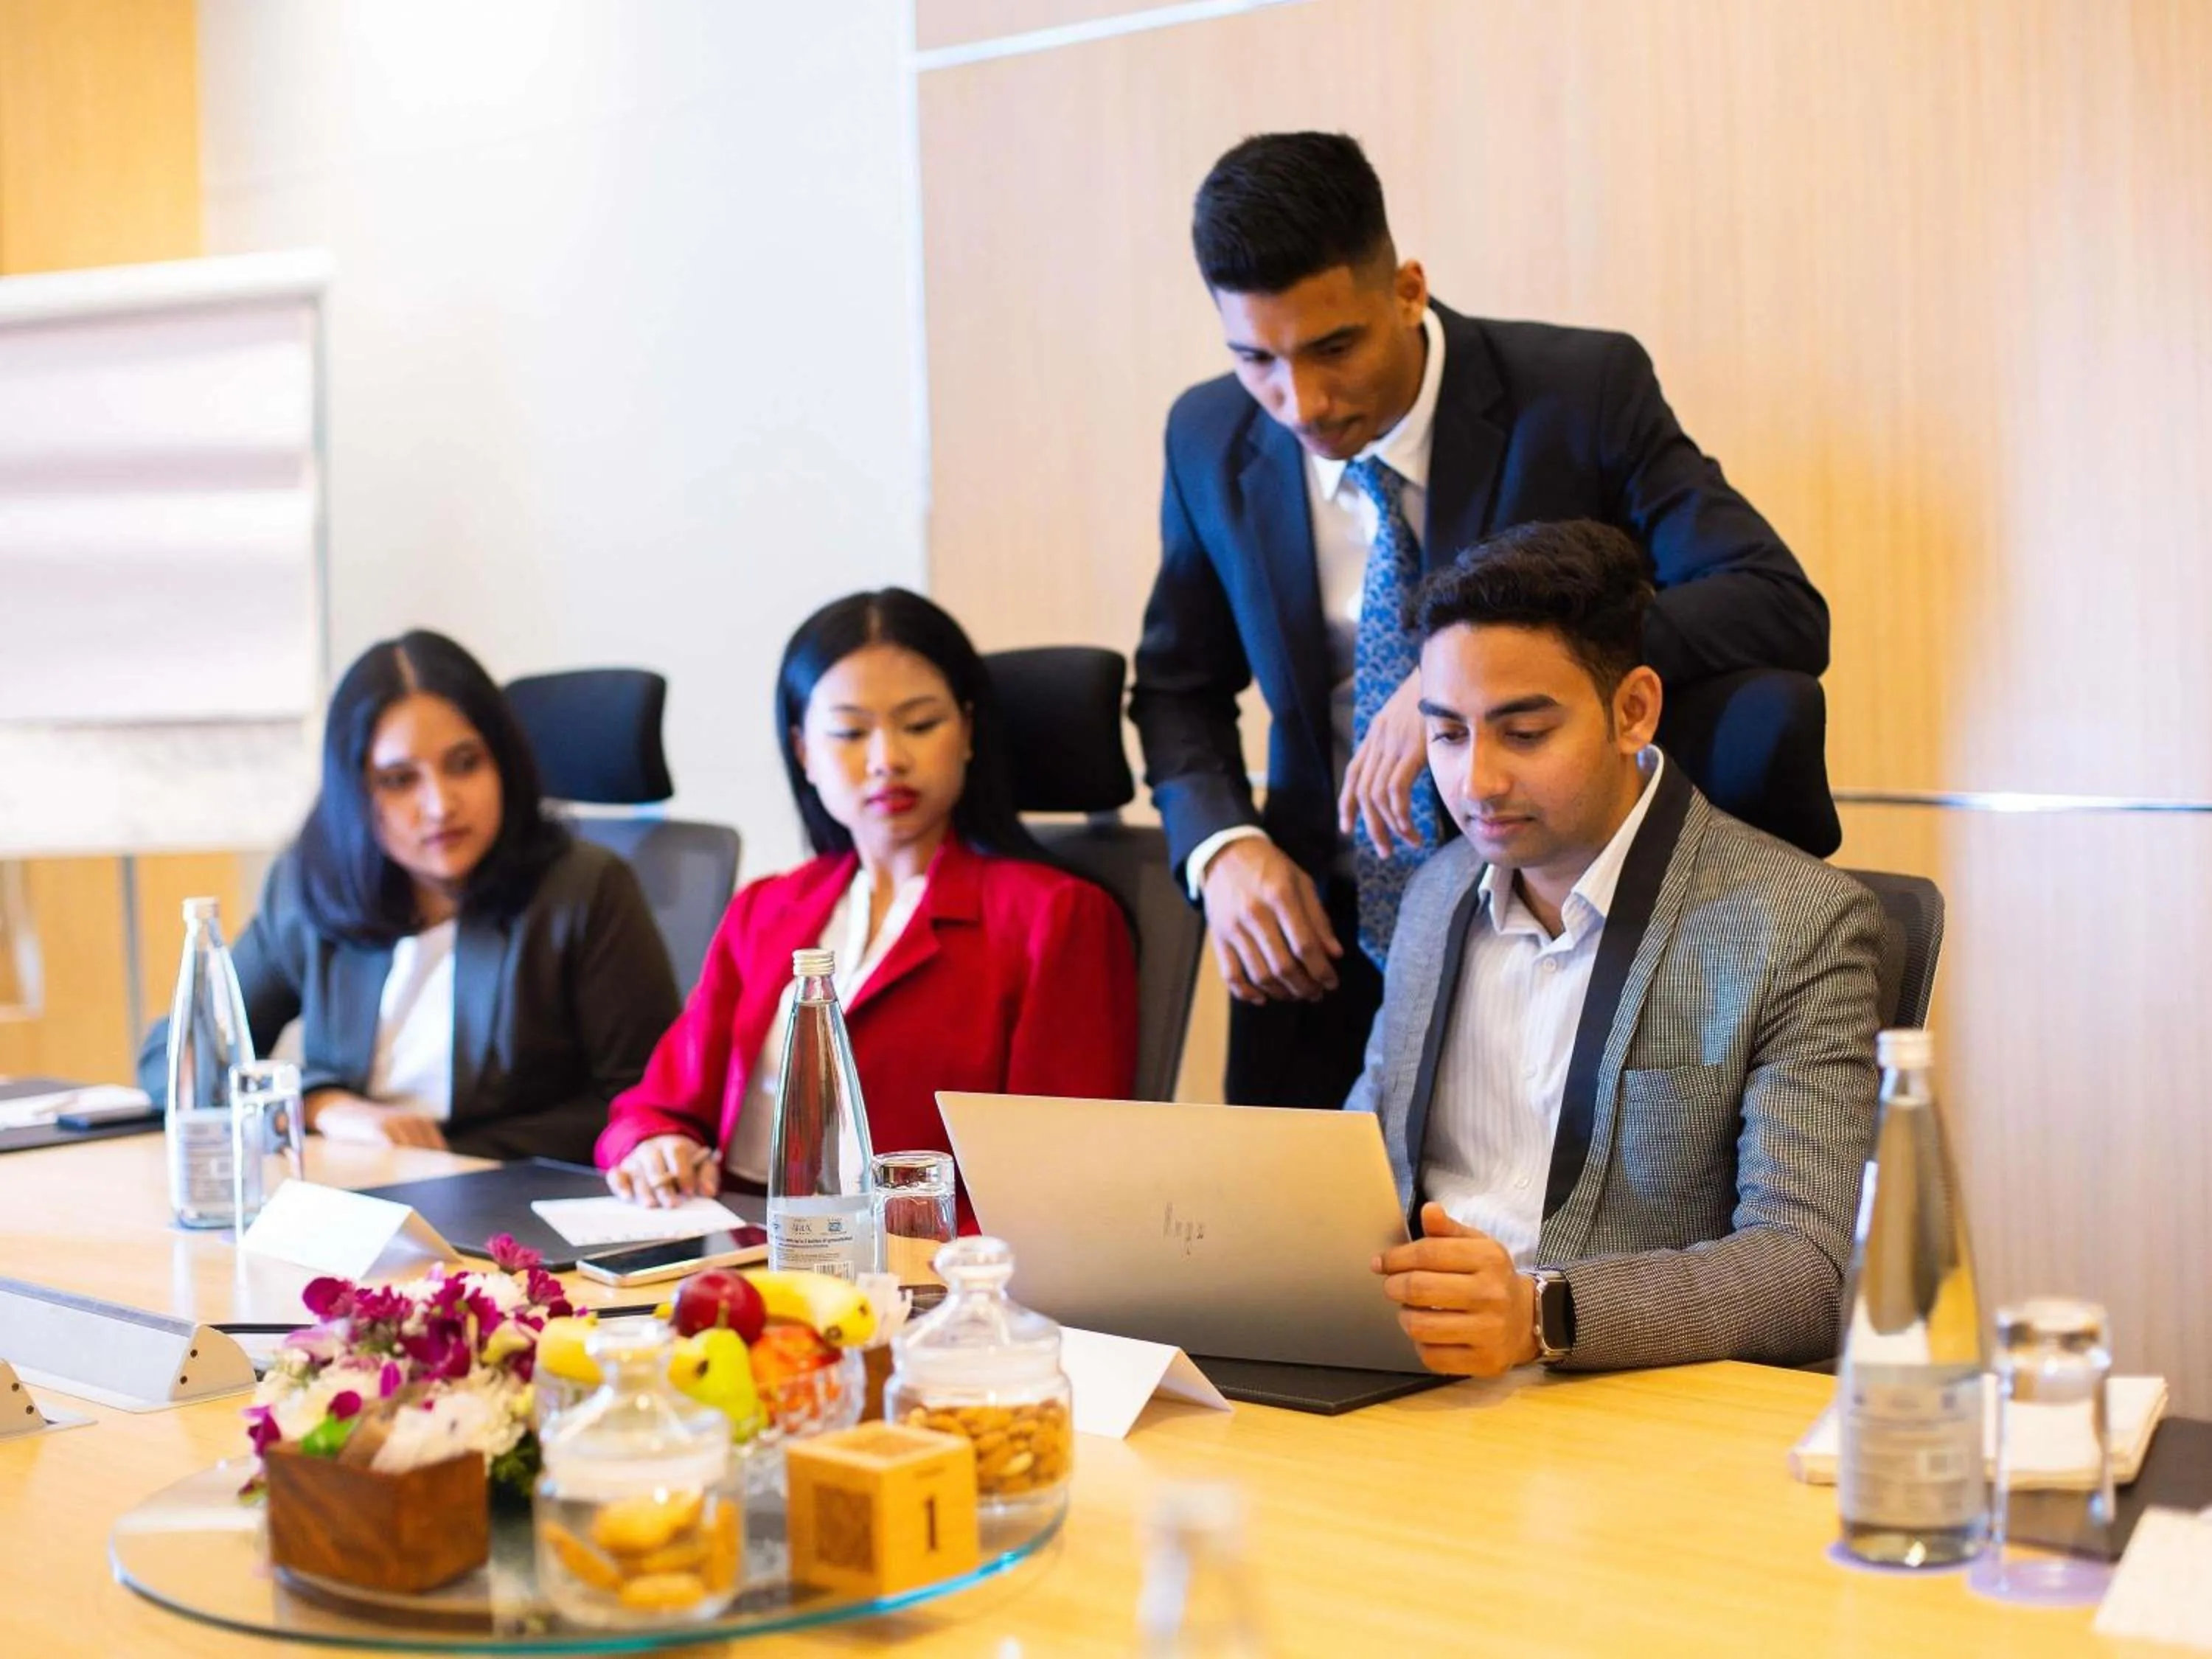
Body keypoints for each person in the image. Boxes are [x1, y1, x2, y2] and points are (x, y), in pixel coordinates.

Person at [1130, 130, 1831, 1110]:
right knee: (1277, 1212)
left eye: (1335, 348)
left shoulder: (1580, 394)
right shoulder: (1208, 434)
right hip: (1319, 939)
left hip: (1560, 929)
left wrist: (1457, 680)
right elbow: (1176, 686)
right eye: (1256, 359)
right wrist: (1223, 850)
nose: (1302, 402)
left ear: (1407, 290)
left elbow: (1774, 602)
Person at [1351, 521, 1881, 1374]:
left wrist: (1541, 1314)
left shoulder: (1799, 925)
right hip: (1413, 1375)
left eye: (1525, 734)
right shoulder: (1436, 895)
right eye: (1447, 735)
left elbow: (1811, 1267)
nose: (1477, 782)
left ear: (1633, 711)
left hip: (1617, 1397)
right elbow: (1357, 1160)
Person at [597, 588, 1138, 1219]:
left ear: (968, 731)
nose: (888, 761)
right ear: (804, 751)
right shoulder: (765, 908)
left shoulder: (1057, 917)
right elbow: (653, 1107)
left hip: (919, 1265)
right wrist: (654, 1145)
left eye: (920, 725)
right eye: (850, 732)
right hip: (732, 1247)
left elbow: (1056, 1188)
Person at [138, 630, 681, 1163]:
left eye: (465, 763)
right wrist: (320, 1105)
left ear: (504, 762)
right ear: (355, 792)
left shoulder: (584, 890)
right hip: (352, 1192)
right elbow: (176, 1061)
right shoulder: (310, 889)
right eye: (399, 780)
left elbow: (646, 1106)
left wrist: (439, 1156)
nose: (440, 805)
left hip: (510, 1200)